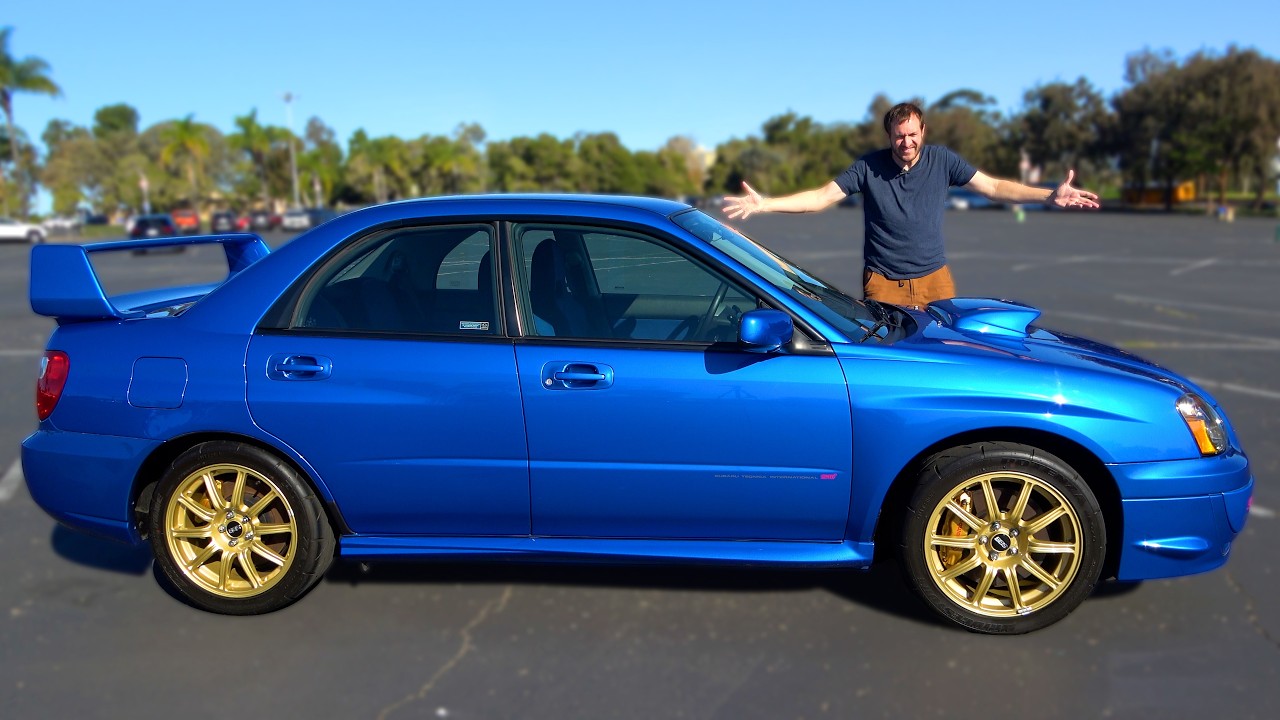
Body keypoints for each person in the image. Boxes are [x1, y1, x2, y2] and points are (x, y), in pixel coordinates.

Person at [722, 102, 1100, 309]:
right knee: (890, 365)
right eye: (899, 135)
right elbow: (821, 197)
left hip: (936, 281)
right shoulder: (868, 167)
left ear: (923, 132)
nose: (907, 142)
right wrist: (765, 204)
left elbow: (994, 187)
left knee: (944, 361)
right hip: (884, 285)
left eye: (913, 134)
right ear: (890, 135)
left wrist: (1047, 195)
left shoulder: (942, 160)